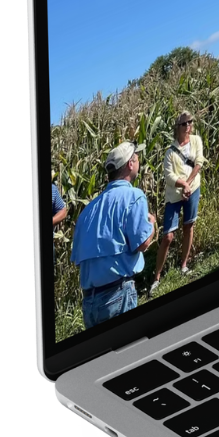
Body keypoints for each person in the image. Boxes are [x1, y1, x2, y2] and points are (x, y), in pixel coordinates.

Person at [70, 141, 156, 328]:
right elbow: (141, 243)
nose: (139, 161)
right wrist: (152, 225)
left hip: (89, 304)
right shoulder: (134, 196)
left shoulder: (87, 211)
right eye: (137, 157)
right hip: (117, 295)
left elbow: (77, 258)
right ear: (130, 164)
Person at [153, 112, 205, 287]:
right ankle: (156, 277)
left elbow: (199, 162)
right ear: (178, 127)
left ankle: (183, 265)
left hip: (193, 188)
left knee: (189, 225)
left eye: (190, 122)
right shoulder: (170, 152)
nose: (188, 126)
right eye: (184, 124)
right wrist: (183, 185)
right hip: (174, 196)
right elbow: (168, 176)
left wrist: (188, 185)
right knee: (168, 235)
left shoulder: (197, 140)